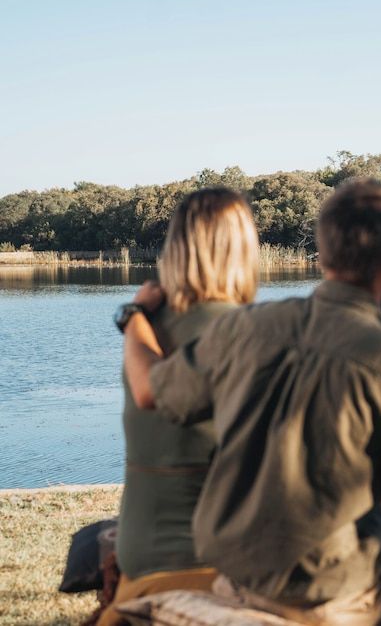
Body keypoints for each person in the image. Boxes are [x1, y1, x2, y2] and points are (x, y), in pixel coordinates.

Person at [121, 179, 381, 625]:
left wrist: (134, 315)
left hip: (235, 581)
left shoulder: (245, 329)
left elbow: (153, 387)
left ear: (322, 253)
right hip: (332, 599)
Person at [99, 188, 260, 626]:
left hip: (138, 555)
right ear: (242, 248)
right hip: (211, 570)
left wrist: (133, 314)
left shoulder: (145, 330)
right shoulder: (243, 332)